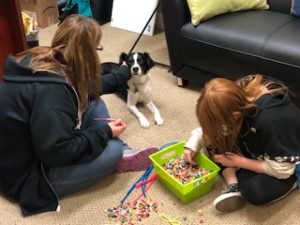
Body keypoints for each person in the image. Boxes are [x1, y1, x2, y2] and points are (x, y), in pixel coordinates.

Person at [0, 15, 157, 216]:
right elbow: (57, 151)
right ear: (88, 53)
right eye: (97, 48)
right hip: (30, 175)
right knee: (113, 151)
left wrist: (122, 74)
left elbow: (88, 88)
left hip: (27, 143)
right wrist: (105, 133)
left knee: (94, 102)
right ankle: (121, 153)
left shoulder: (44, 58)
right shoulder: (52, 96)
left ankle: (119, 149)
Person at [184, 74, 300, 213]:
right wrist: (191, 145)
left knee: (254, 192)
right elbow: (212, 130)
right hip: (256, 144)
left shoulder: (269, 121)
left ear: (235, 116)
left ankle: (291, 183)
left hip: (286, 164)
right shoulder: (237, 95)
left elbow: (282, 170)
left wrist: (240, 162)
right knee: (213, 144)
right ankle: (233, 184)